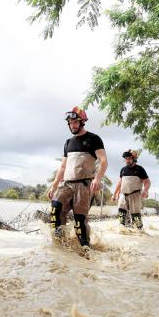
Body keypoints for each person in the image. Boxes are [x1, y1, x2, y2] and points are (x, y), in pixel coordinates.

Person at [47, 107, 108, 249]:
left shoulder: (94, 139)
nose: (72, 125)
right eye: (70, 123)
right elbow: (62, 167)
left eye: (75, 122)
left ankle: (85, 250)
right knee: (55, 209)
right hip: (66, 184)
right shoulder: (68, 142)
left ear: (82, 122)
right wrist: (55, 184)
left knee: (79, 221)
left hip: (84, 185)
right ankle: (60, 245)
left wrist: (97, 179)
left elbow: (103, 160)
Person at [111, 150, 151, 229]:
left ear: (134, 159)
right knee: (121, 211)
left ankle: (139, 230)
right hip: (123, 194)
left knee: (135, 215)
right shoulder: (123, 170)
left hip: (135, 195)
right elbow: (120, 182)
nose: (127, 161)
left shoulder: (140, 169)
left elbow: (147, 182)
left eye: (129, 159)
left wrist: (145, 190)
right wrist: (114, 193)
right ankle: (122, 229)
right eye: (126, 159)